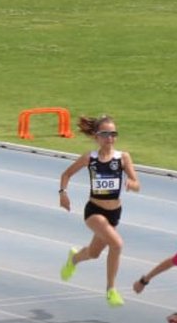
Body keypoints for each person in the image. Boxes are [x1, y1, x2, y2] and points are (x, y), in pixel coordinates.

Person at [58, 114, 139, 306]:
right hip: (94, 211)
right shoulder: (90, 158)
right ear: (97, 137)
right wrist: (63, 194)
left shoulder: (123, 158)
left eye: (113, 134)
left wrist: (131, 184)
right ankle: (111, 290)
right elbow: (66, 174)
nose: (110, 138)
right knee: (117, 244)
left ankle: (74, 259)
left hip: (114, 213)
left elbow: (137, 183)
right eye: (105, 134)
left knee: (94, 253)